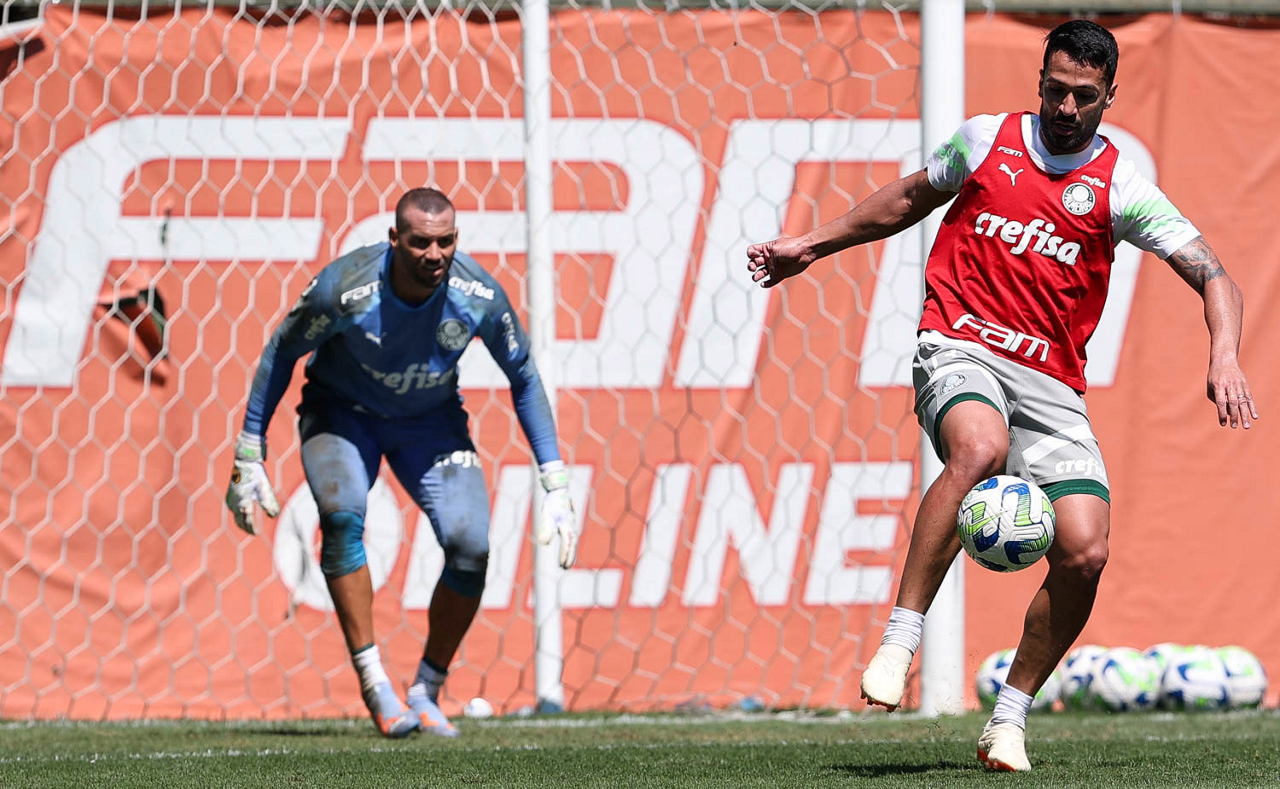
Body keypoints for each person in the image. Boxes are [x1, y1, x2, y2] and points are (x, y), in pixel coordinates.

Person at [746, 20, 1257, 772]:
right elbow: (911, 197)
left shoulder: (1122, 188)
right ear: (1040, 82)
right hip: (959, 343)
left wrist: (1225, 355)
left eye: (1085, 96)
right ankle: (901, 639)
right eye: (1056, 90)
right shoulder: (986, 140)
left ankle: (1008, 718)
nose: (1067, 108)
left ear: (1110, 96)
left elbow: (1215, 275)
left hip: (1051, 383)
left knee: (1085, 550)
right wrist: (810, 245)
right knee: (980, 449)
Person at [224, 187, 579, 738]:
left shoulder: (477, 294)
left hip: (429, 424)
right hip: (343, 413)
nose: (435, 255)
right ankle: (376, 685)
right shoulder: (345, 289)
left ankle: (426, 691)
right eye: (420, 243)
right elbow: (282, 351)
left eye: (446, 242)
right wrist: (250, 451)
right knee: (342, 518)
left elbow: (524, 376)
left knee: (471, 546)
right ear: (394, 239)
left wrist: (555, 480)